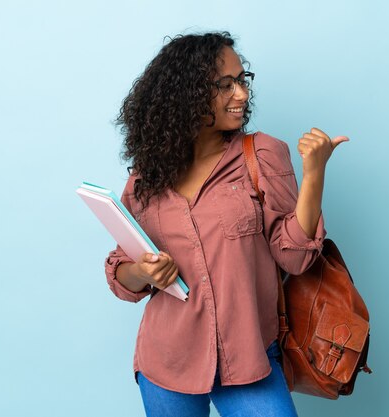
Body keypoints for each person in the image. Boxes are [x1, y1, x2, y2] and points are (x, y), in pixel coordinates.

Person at [104, 31, 348, 417]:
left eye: (242, 80)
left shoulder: (262, 154)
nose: (242, 95)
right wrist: (144, 271)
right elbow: (123, 278)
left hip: (248, 358)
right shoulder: (146, 179)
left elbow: (295, 258)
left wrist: (314, 174)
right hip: (166, 361)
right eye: (225, 85)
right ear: (185, 94)